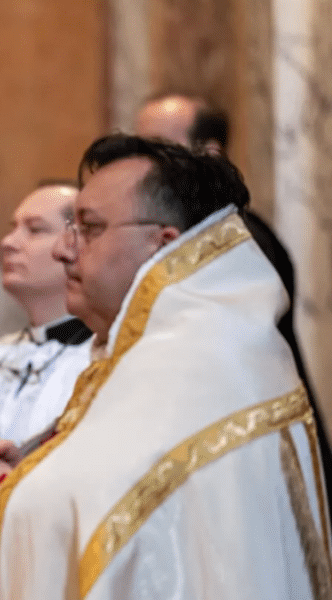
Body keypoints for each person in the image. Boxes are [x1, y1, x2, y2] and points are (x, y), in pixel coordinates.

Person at [0, 134, 332, 599]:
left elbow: (132, 517)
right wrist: (30, 472)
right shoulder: (182, 342)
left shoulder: (197, 359)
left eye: (89, 227)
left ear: (161, 245)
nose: (66, 250)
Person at [135, 91, 332, 504]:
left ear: (208, 152)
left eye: (158, 147)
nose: (141, 165)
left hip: (250, 455)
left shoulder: (239, 242)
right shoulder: (188, 234)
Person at [0, 182, 92, 445]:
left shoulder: (100, 361)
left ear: (77, 245)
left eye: (35, 229)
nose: (7, 242)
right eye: (13, 228)